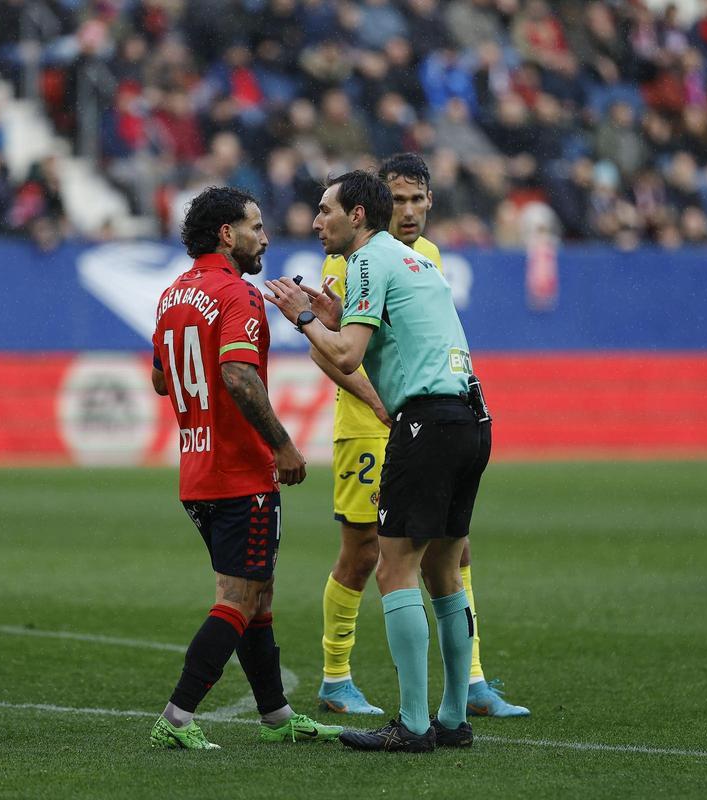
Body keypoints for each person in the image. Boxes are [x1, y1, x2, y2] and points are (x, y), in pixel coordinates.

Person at [265, 170, 490, 753]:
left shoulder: (367, 262)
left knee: (394, 569)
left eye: (325, 211)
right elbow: (389, 330)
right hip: (470, 419)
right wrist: (333, 313)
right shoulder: (413, 261)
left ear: (357, 216)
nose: (316, 222)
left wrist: (302, 318)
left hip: (425, 423)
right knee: (445, 569)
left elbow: (346, 355)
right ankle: (452, 716)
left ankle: (412, 725)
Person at [312, 152, 527, 717]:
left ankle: (469, 684)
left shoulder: (426, 257)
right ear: (375, 206)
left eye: (416, 199)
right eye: (397, 200)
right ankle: (337, 676)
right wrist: (379, 403)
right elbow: (335, 353)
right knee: (364, 555)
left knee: (449, 555)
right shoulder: (351, 260)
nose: (407, 212)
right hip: (370, 424)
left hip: (421, 417)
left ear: (430, 201)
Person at [148, 186, 341, 750]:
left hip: (196, 469)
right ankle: (176, 717)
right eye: (256, 226)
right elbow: (237, 374)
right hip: (239, 471)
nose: (266, 236)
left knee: (258, 592)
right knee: (237, 596)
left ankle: (277, 715)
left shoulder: (172, 295)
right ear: (227, 235)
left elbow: (162, 378)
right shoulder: (239, 296)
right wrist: (282, 445)